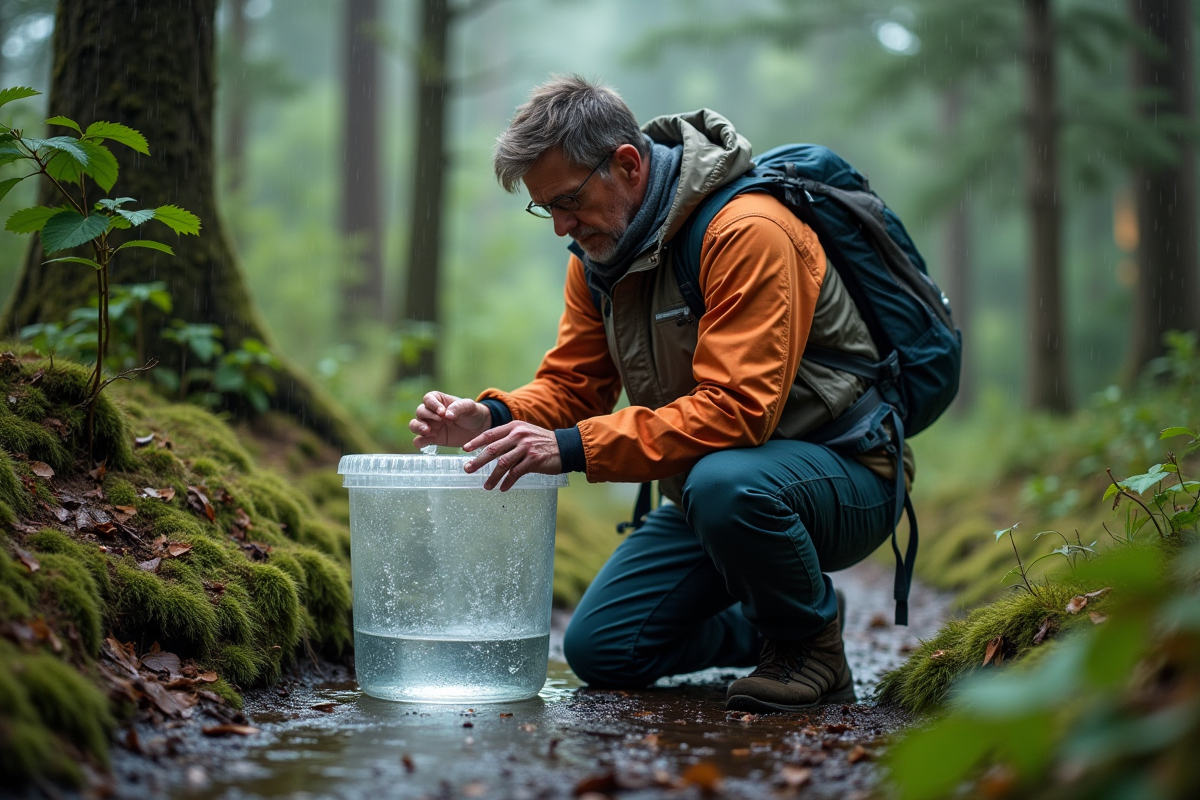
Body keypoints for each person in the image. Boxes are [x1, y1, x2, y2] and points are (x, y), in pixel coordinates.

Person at [409, 75, 914, 712]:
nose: (561, 225)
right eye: (546, 208)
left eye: (568, 199)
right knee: (603, 650)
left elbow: (737, 412)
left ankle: (811, 651)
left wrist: (569, 448)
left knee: (728, 483)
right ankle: (776, 617)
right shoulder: (596, 256)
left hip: (847, 473)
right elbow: (574, 384)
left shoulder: (747, 231)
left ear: (626, 164)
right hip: (718, 491)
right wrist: (492, 414)